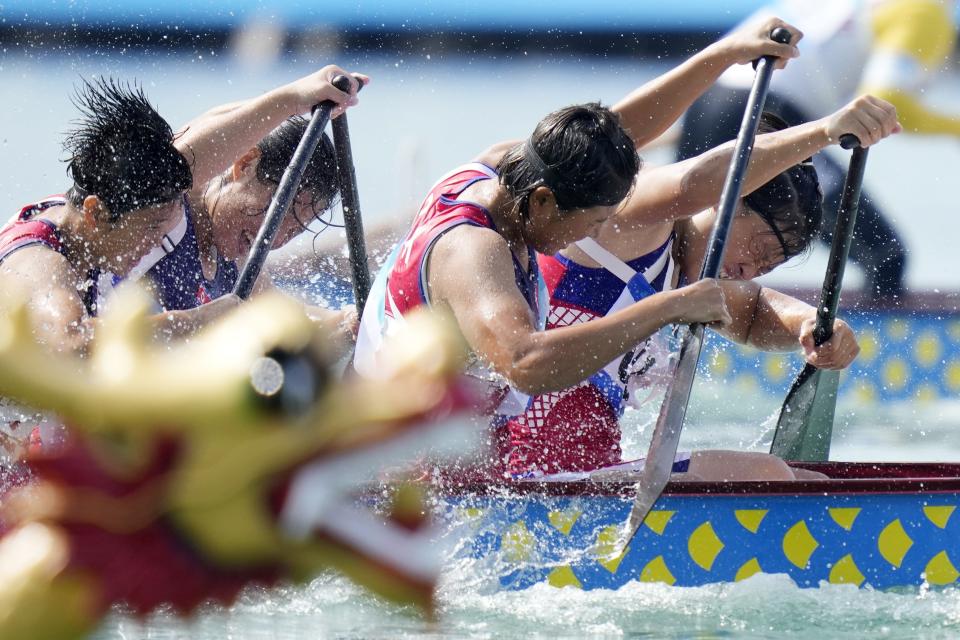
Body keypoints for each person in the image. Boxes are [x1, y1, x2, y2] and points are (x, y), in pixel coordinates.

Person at [354, 17, 810, 478]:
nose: (582, 240)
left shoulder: (501, 169)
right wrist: (666, 309)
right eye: (591, 224)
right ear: (543, 201)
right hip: (420, 484)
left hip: (471, 468)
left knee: (791, 476)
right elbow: (525, 363)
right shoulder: (472, 250)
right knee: (768, 475)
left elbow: (613, 135)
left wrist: (725, 54)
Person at [509, 102, 899, 481]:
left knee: (806, 480)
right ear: (726, 201)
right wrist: (824, 131)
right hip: (526, 472)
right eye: (758, 249)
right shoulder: (631, 219)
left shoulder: (683, 276)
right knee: (768, 475)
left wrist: (809, 323)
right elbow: (694, 181)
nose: (749, 271)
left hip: (579, 474)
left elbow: (752, 313)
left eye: (767, 267)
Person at [676, 0, 958, 301]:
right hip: (766, 114)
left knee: (684, 252)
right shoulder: (922, 9)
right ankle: (839, 341)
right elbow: (885, 101)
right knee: (885, 256)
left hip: (708, 106)